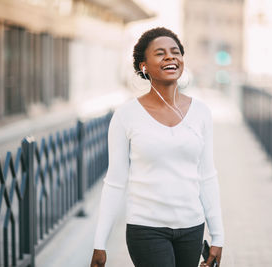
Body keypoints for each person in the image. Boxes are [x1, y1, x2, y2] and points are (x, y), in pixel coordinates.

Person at [90, 27, 224, 267]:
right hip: (146, 228)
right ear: (144, 66)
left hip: (192, 228)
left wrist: (218, 236)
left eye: (175, 52)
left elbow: (207, 176)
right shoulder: (126, 116)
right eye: (160, 53)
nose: (171, 57)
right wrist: (100, 243)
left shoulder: (202, 113)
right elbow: (115, 181)